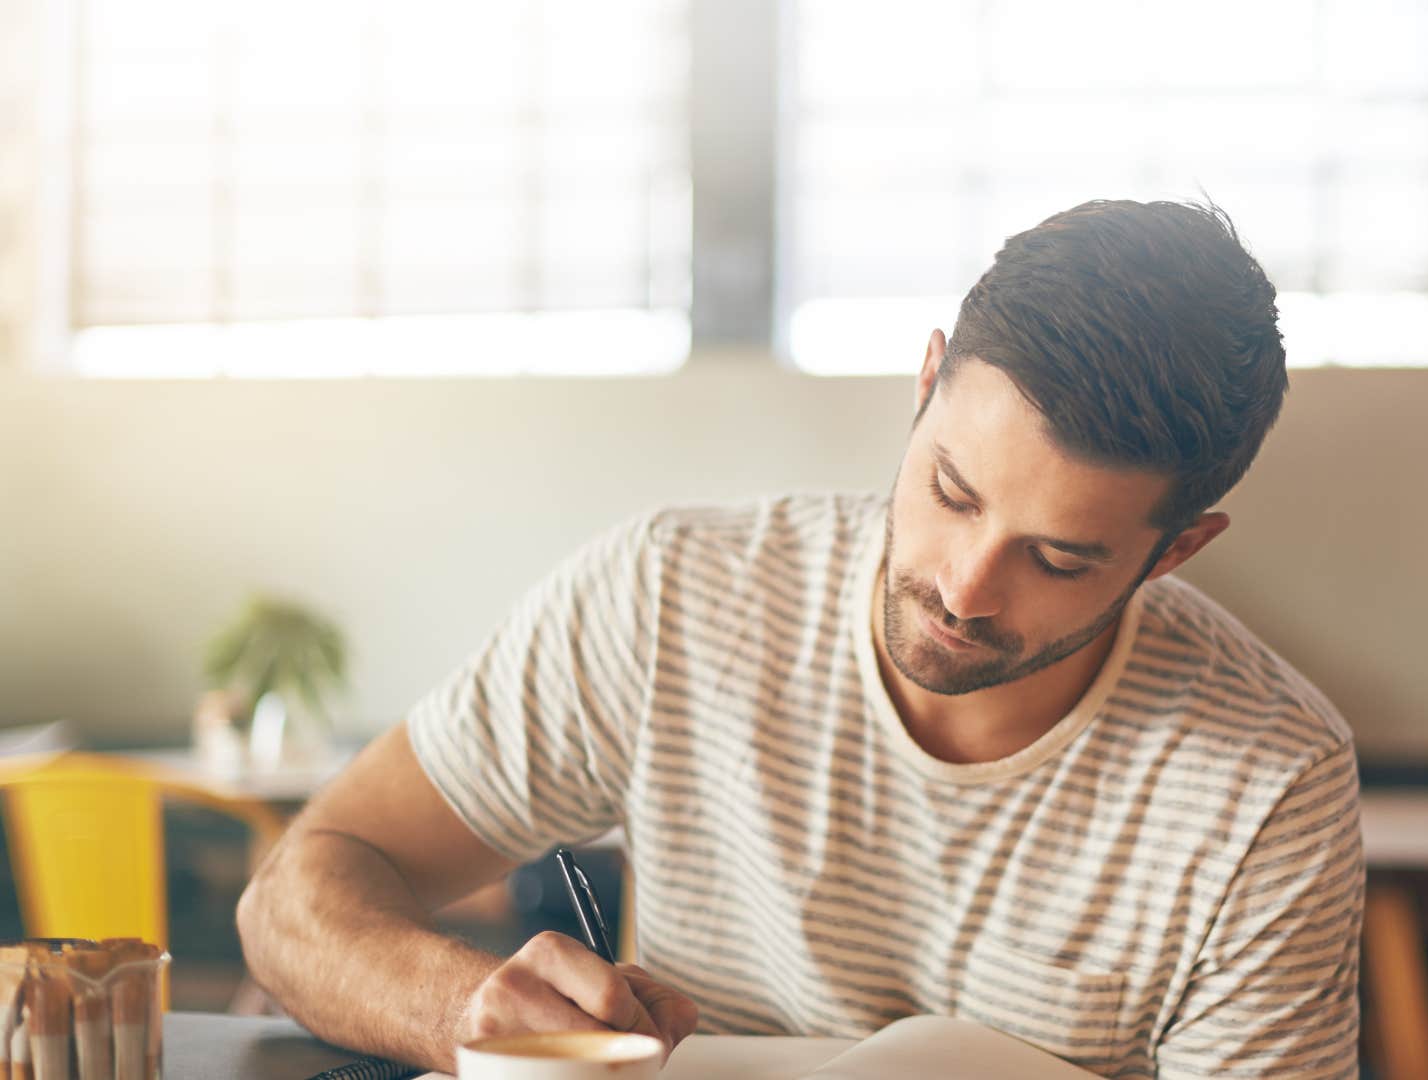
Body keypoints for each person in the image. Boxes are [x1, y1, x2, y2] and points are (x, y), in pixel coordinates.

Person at [238, 199, 1363, 1079]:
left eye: (1059, 558)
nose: (965, 591)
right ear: (926, 387)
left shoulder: (1268, 781)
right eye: (952, 491)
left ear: (1175, 551)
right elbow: (296, 895)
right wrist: (460, 1013)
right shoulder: (671, 598)